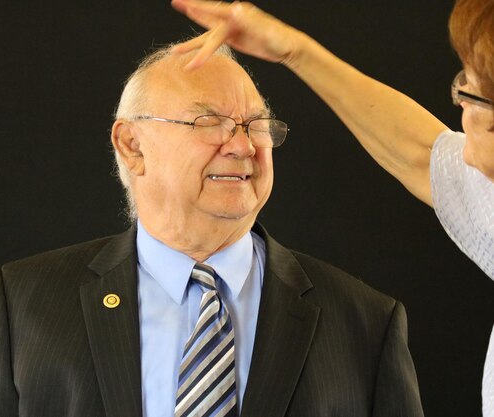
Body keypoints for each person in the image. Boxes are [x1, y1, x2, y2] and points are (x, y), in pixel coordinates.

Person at [0, 42, 424, 417]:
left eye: (255, 124)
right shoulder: (27, 302)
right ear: (132, 145)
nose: (243, 146)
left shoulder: (366, 322)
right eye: (209, 122)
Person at [170, 0, 494, 414]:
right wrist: (294, 50)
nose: (241, 146)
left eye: (471, 93)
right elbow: (421, 152)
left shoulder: (365, 321)